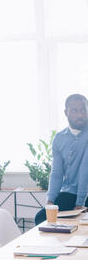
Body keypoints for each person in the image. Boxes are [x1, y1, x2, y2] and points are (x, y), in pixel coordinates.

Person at [35, 94, 88, 225]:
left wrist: (80, 203)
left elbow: (85, 169)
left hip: (85, 194)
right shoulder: (59, 139)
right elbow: (57, 173)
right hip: (70, 193)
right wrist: (50, 200)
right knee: (41, 218)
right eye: (74, 111)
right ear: (66, 112)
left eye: (83, 110)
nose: (80, 115)